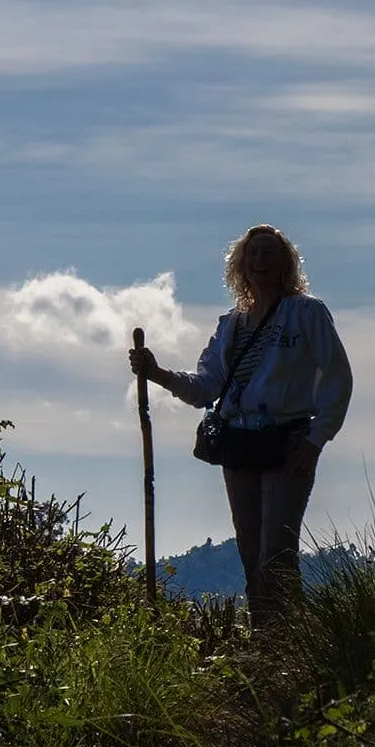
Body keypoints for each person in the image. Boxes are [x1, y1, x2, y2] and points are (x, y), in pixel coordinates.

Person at [129, 224, 353, 630]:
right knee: (252, 554)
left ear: (286, 262)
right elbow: (205, 388)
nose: (260, 261)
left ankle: (290, 646)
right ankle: (265, 643)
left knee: (277, 554)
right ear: (240, 266)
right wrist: (156, 373)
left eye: (269, 253)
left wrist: (317, 440)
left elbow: (338, 378)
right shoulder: (231, 325)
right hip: (238, 445)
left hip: (289, 443)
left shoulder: (306, 314)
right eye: (253, 254)